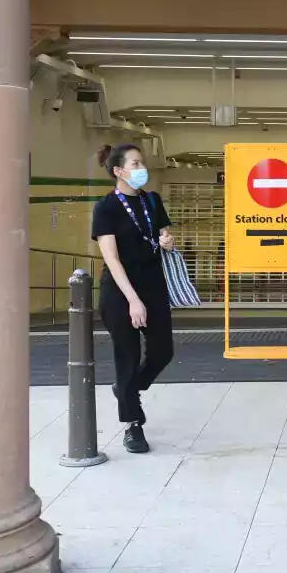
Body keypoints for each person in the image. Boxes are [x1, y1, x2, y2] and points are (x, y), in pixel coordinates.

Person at [92, 143, 175, 453]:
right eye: (136, 163)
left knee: (162, 351)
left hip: (153, 284)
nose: (142, 169)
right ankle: (133, 424)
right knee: (125, 355)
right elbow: (111, 259)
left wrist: (166, 240)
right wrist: (132, 300)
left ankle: (127, 389)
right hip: (119, 290)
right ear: (119, 171)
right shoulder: (106, 208)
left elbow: (163, 234)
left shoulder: (152, 201)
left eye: (142, 163)